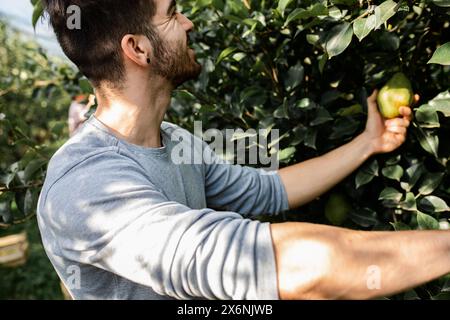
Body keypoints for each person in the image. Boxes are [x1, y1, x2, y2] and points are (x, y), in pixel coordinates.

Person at [37, 0, 450, 300]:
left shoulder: (178, 142)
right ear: (138, 49)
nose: (189, 22)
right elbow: (251, 262)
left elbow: (267, 189)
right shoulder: (84, 188)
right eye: (172, 13)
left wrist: (368, 143)